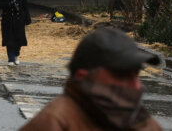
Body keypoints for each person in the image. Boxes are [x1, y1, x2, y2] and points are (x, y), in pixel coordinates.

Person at [20, 27, 163, 130]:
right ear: (83, 77)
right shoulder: (53, 122)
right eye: (121, 74)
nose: (136, 85)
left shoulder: (141, 121)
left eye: (136, 74)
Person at [0, 0, 31, 65]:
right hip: (8, 18)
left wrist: (27, 19)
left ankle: (16, 55)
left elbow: (25, 5)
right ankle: (11, 58)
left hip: (19, 18)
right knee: (9, 39)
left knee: (18, 38)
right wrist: (8, 4)